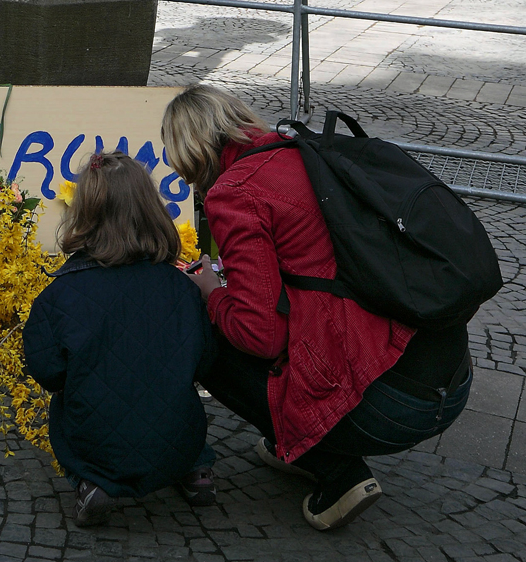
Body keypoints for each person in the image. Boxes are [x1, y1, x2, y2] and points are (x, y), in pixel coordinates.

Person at [160, 85, 473, 531]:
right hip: (450, 378)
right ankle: (297, 438)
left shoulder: (234, 192)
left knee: (206, 329)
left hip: (394, 406)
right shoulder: (302, 151)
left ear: (190, 151)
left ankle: (336, 471)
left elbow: (259, 333)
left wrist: (210, 289)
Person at [23, 151, 217, 527]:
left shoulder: (59, 297)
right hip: (178, 439)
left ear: (84, 215)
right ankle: (196, 468)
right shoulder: (184, 289)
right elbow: (205, 363)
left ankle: (90, 483)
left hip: (95, 446)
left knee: (65, 408)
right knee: (176, 399)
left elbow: (47, 372)